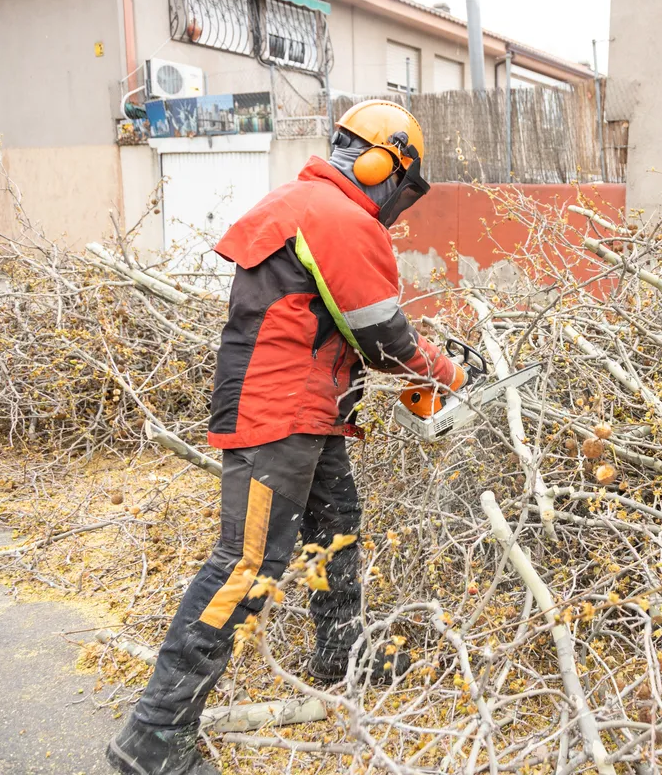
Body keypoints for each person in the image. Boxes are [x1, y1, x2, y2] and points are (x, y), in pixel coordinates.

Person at [107, 101, 467, 775]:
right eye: (402, 186)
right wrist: (447, 373)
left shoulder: (302, 200)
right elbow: (385, 338)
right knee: (245, 564)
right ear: (381, 165)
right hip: (281, 411)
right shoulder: (338, 216)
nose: (396, 202)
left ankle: (340, 650)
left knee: (337, 521)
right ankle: (153, 734)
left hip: (311, 405)